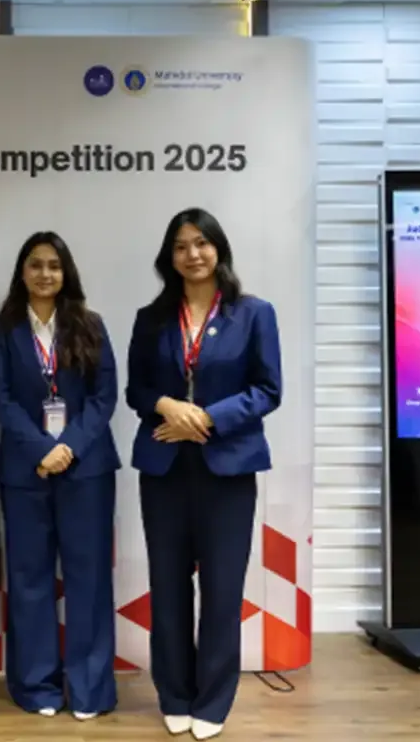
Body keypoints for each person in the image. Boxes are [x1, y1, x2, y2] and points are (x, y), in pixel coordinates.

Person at [125, 208, 281, 741]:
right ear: (168, 257)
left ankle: (213, 700)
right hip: (164, 468)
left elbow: (268, 390)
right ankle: (174, 694)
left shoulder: (254, 313)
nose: (192, 254)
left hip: (228, 468)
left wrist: (207, 418)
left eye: (201, 243)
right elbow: (136, 389)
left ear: (218, 248)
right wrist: (167, 405)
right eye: (181, 246)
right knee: (167, 588)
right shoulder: (151, 318)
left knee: (222, 590)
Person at [0, 231, 120, 721]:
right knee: (29, 580)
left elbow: (105, 397)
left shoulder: (90, 325)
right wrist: (43, 450)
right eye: (36, 265)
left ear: (67, 273)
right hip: (26, 471)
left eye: (54, 266)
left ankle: (89, 690)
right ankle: (36, 687)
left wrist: (68, 447)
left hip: (87, 470)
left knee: (89, 579)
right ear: (22, 272)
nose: (45, 274)